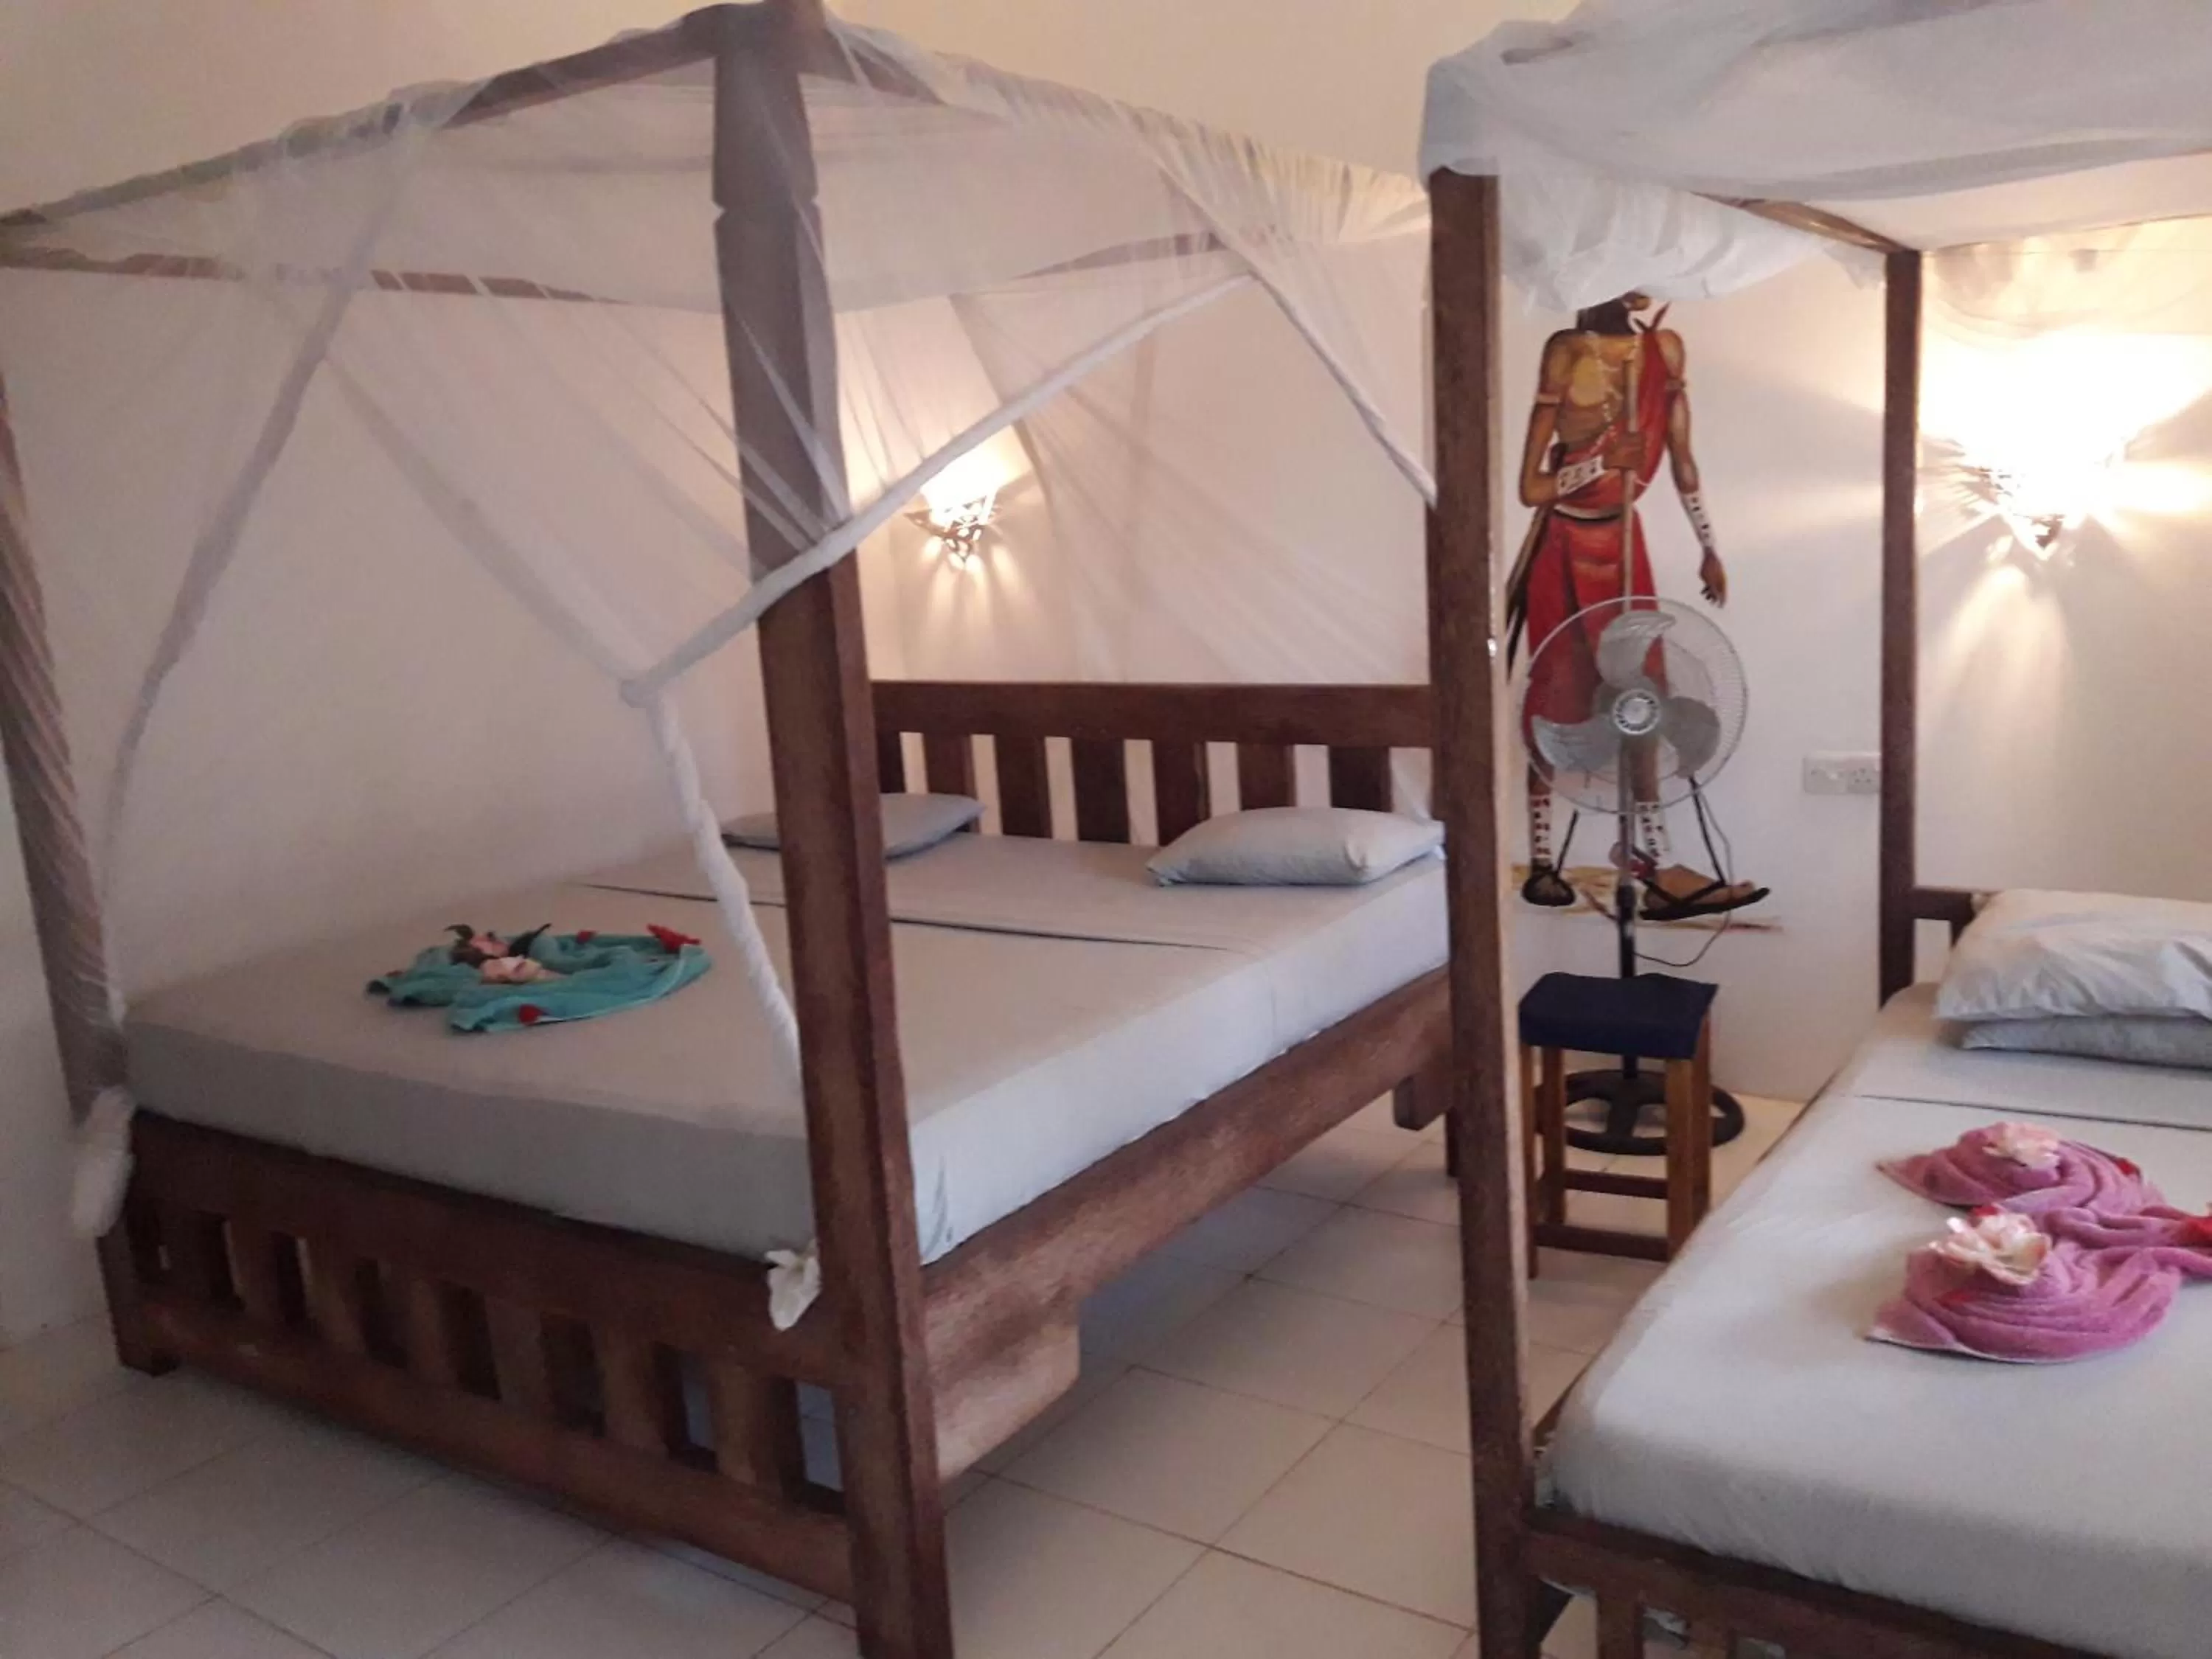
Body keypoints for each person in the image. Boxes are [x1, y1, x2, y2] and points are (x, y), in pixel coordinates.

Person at [1509, 291, 1764, 919]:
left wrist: (1710, 547)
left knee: (1642, 698)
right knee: (1558, 699)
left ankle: (1654, 863)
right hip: (1562, 547)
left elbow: (1681, 461)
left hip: (1624, 547)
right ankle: (1544, 861)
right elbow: (1531, 488)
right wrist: (1596, 461)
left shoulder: (1663, 351)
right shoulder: (1565, 352)